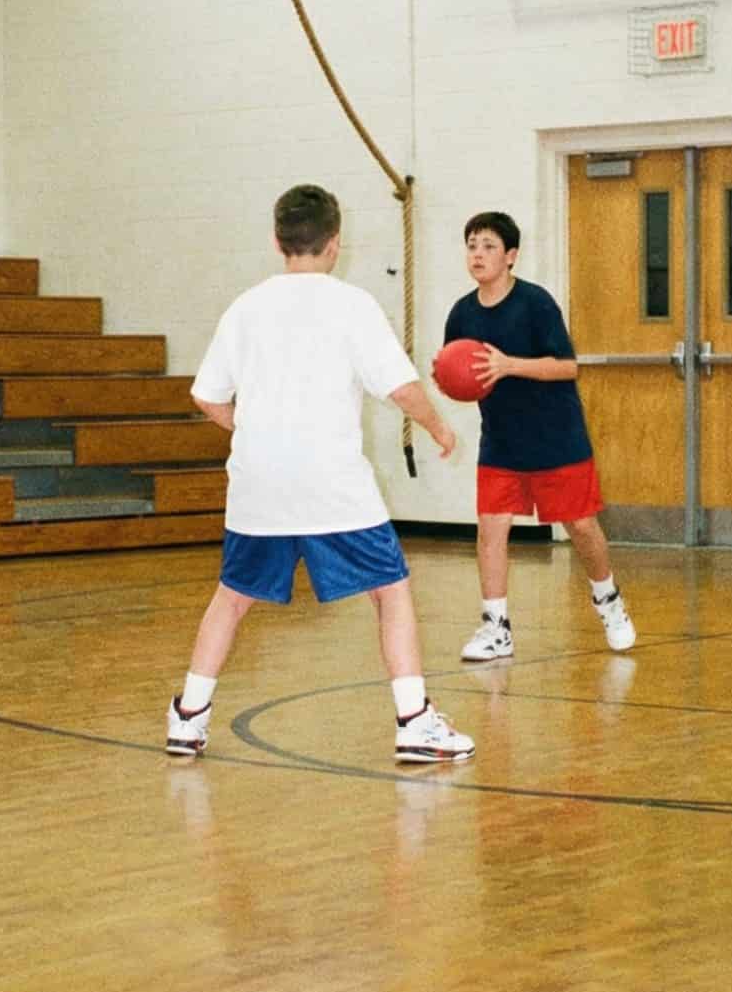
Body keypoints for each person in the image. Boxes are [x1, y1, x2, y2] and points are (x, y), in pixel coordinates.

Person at [163, 184, 474, 764]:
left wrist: (253, 431)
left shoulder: (245, 307)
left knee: (232, 597)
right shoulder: (353, 305)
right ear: (335, 242)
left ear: (277, 240)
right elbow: (401, 388)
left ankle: (187, 717)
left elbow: (206, 395)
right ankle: (414, 722)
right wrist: (439, 428)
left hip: (258, 484)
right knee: (390, 591)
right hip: (333, 484)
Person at [445, 212, 633, 662]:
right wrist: (452, 380)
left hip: (556, 438)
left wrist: (510, 365)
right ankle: (496, 628)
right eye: (472, 245)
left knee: (581, 527)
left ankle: (608, 599)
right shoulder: (462, 313)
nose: (477, 254)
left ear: (510, 256)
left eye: (488, 246)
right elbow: (458, 370)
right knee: (491, 530)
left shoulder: (536, 303)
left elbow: (567, 367)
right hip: (501, 442)